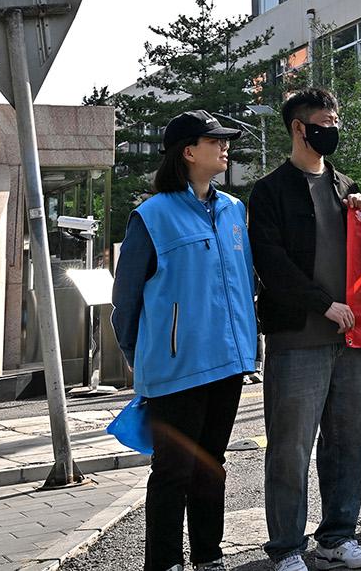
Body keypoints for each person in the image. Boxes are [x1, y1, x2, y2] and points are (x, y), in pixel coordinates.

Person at [111, 110, 259, 571]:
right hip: (176, 367)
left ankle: (208, 557)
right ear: (188, 151)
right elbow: (126, 298)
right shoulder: (152, 215)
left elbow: (244, 282)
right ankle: (164, 563)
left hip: (229, 362)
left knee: (211, 465)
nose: (225, 147)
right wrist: (141, 355)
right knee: (172, 471)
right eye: (215, 140)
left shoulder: (233, 210)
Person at [248, 88, 361, 571]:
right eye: (325, 121)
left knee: (349, 441)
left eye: (336, 119)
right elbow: (271, 264)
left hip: (351, 339)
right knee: (290, 448)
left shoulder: (346, 188)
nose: (334, 128)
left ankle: (338, 537)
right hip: (296, 338)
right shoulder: (270, 191)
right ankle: (286, 548)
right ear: (299, 128)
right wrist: (324, 304)